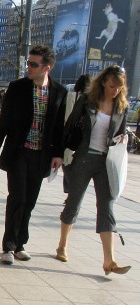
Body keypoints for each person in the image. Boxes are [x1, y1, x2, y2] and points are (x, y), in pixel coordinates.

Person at [0, 45, 67, 265]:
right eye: (28, 63)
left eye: (33, 64)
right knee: (17, 198)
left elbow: (59, 127)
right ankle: (8, 247)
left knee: (29, 201)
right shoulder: (18, 88)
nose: (28, 67)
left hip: (41, 155)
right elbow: (4, 123)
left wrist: (58, 154)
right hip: (19, 152)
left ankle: (21, 243)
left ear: (46, 68)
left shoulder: (59, 92)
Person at [56, 65, 130, 275]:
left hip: (106, 163)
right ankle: (62, 244)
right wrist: (60, 154)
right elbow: (69, 126)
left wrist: (122, 138)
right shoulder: (88, 100)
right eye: (112, 85)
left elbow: (121, 133)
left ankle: (109, 260)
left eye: (119, 87)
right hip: (83, 158)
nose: (115, 90)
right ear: (104, 81)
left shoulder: (121, 107)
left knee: (106, 207)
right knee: (74, 202)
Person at [62, 74, 91, 194]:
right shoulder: (89, 100)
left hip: (70, 135)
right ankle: (71, 191)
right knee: (71, 164)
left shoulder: (72, 96)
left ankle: (70, 191)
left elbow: (67, 116)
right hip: (82, 138)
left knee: (67, 163)